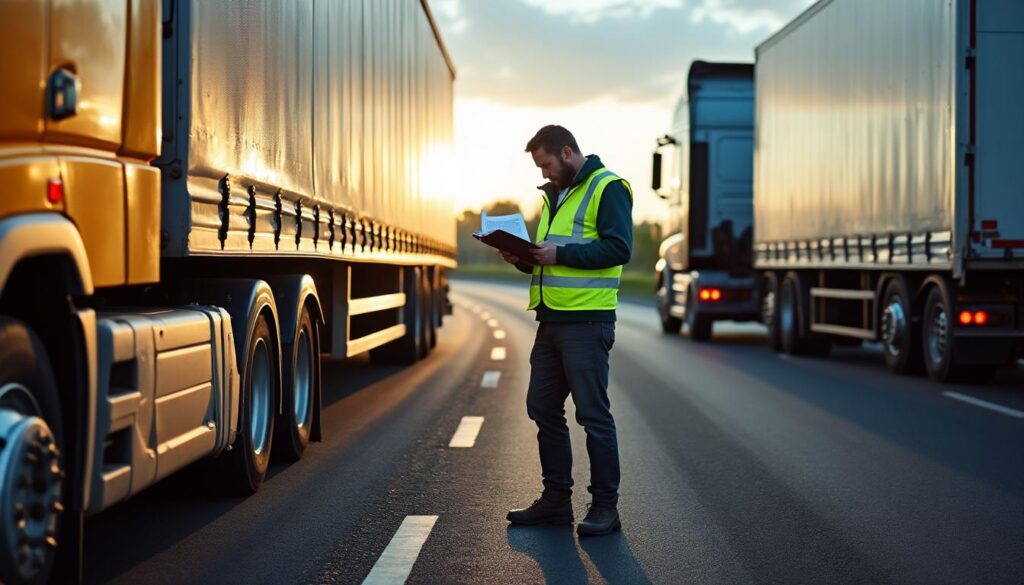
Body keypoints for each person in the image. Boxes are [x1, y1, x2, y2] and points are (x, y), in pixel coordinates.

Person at [502, 125, 632, 536]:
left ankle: (605, 508)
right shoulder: (553, 194)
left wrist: (560, 253)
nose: (543, 172)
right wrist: (521, 257)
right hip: (551, 320)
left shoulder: (607, 187)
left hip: (588, 321)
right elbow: (547, 255)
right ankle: (556, 502)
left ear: (566, 151)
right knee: (542, 408)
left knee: (593, 416)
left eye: (546, 163)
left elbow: (619, 248)